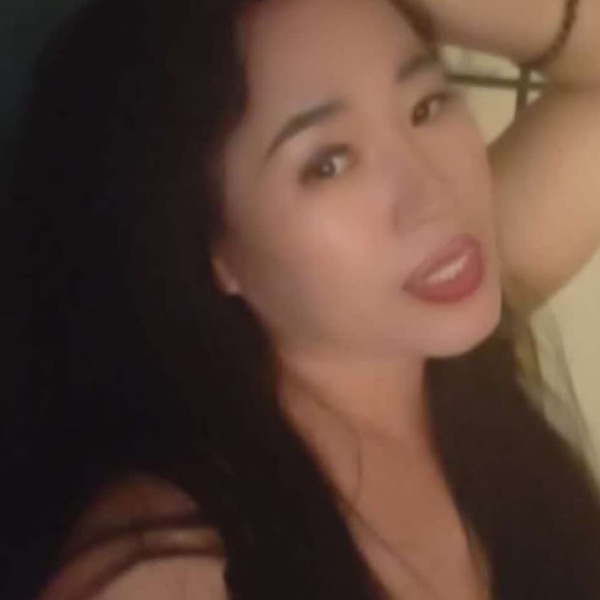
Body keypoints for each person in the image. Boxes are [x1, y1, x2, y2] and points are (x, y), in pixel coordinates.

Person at [5, 0, 600, 598]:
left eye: (426, 106)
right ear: (209, 246)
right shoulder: (169, 568)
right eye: (329, 164)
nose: (434, 194)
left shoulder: (428, 320)